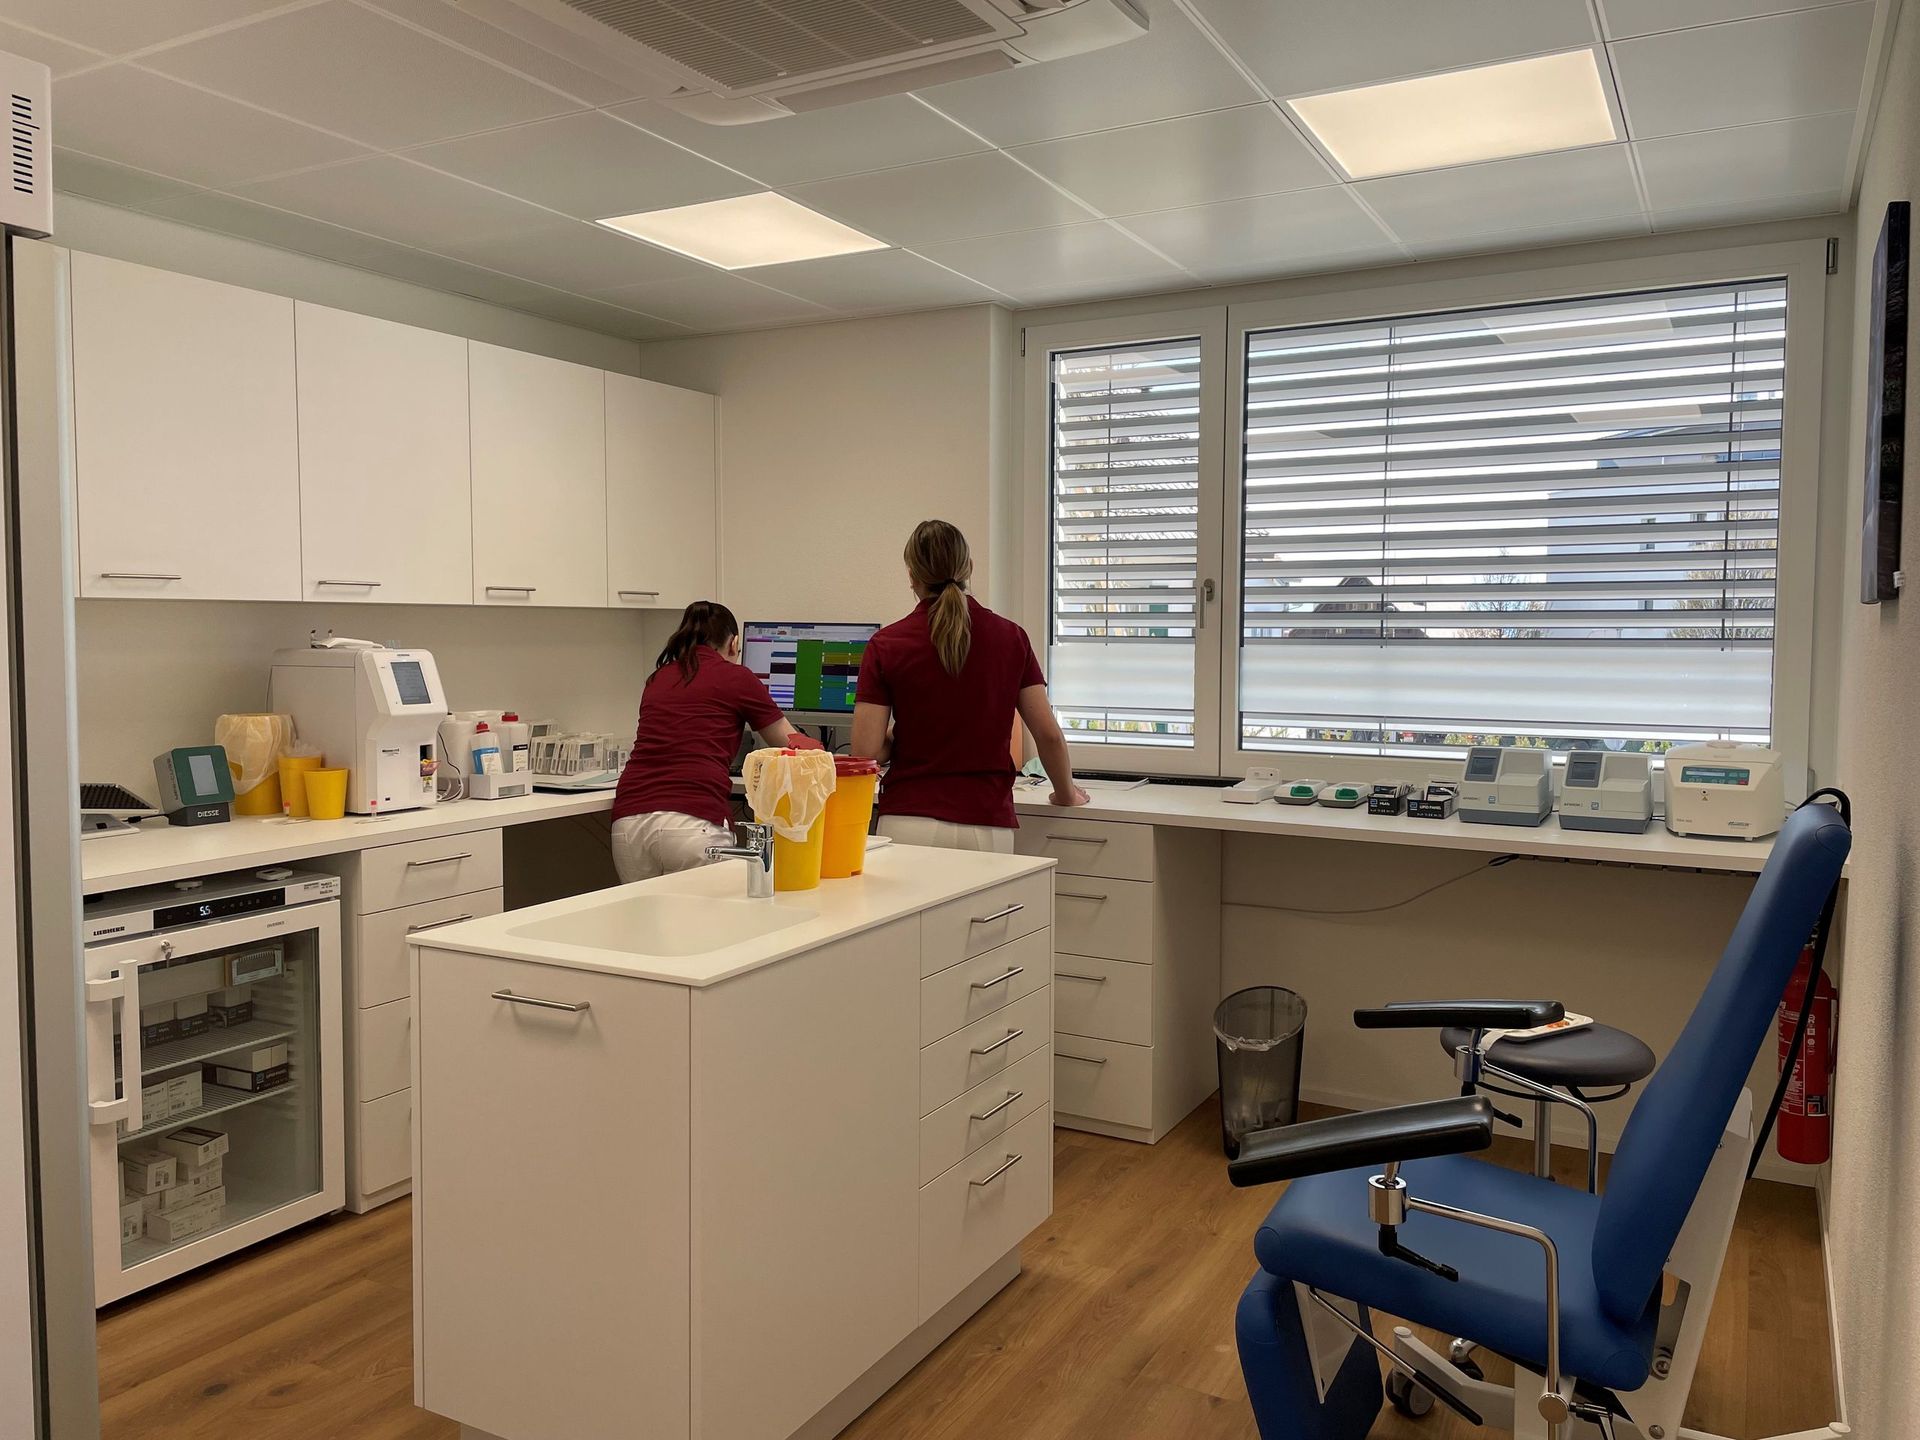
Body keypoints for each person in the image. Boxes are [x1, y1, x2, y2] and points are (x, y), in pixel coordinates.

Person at [852, 520, 1087, 852]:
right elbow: (1048, 734)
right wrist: (1066, 793)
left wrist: (901, 735)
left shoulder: (886, 644)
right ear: (970, 568)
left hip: (908, 821)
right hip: (988, 824)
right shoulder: (1011, 637)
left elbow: (865, 753)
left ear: (912, 576)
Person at [610, 600, 817, 884]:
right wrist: (830, 757)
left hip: (629, 824)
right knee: (712, 912)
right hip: (692, 823)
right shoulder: (736, 676)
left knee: (644, 913)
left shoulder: (657, 678)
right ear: (734, 644)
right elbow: (789, 744)